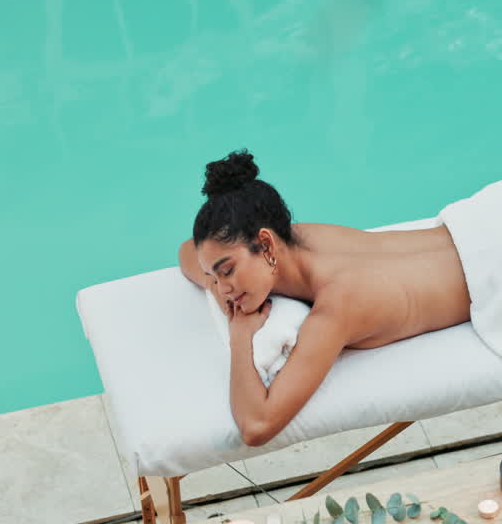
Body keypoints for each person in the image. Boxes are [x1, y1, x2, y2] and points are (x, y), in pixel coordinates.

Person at [177, 149, 471, 447]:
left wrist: (239, 338)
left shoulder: (339, 304)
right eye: (214, 276)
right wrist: (218, 284)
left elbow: (256, 425)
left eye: (227, 271)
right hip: (472, 230)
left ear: (265, 243)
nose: (223, 289)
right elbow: (188, 250)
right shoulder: (296, 238)